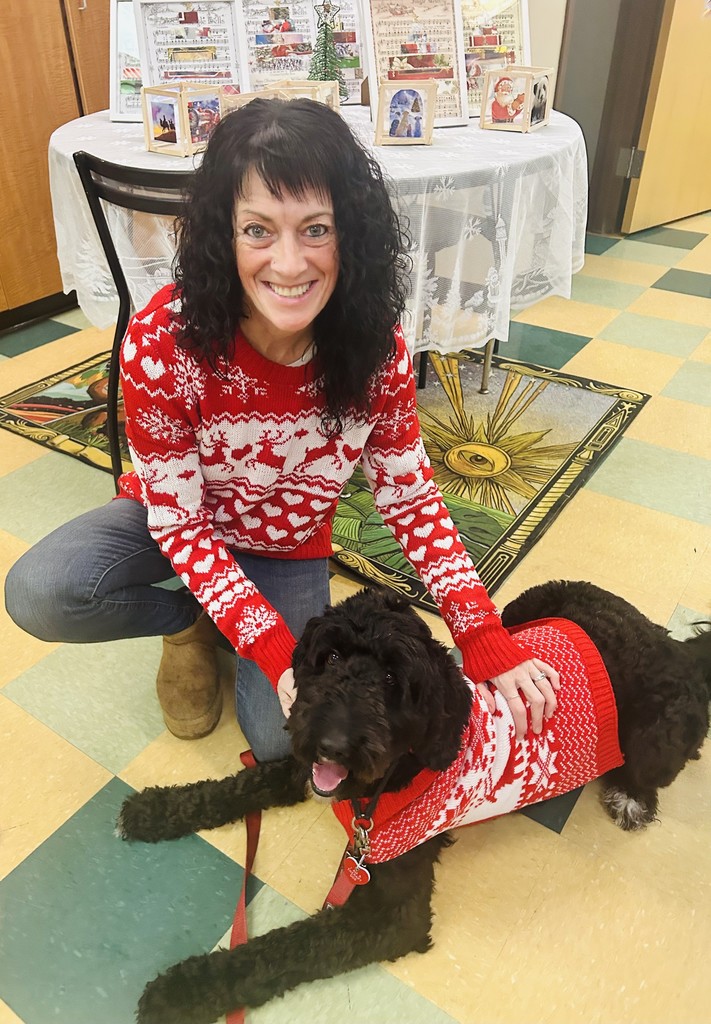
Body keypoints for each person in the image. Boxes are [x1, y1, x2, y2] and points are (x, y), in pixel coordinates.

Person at [4, 97, 559, 762]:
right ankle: (188, 623)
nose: (290, 265)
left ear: (350, 232)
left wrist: (480, 636)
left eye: (316, 229)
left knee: (278, 745)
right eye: (258, 230)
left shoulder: (375, 347)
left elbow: (410, 499)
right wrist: (266, 645)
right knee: (39, 592)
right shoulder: (161, 342)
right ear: (221, 234)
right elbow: (178, 522)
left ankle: (229, 615)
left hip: (286, 543)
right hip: (176, 520)